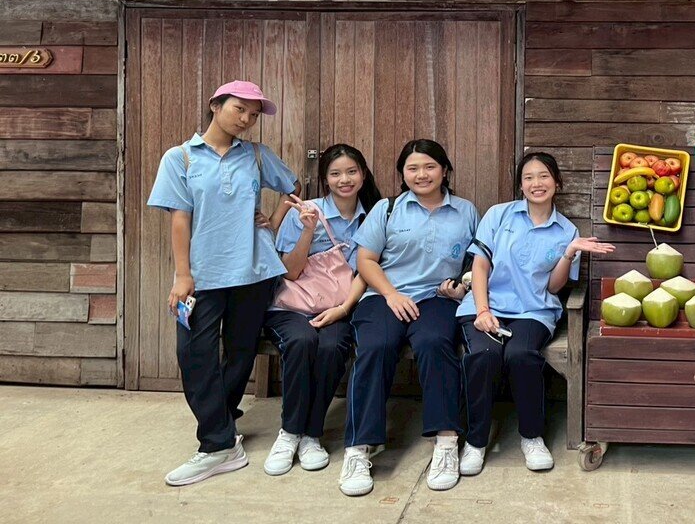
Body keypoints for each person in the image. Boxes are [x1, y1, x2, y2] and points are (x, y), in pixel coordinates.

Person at [147, 80, 300, 486]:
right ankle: (219, 442)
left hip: (254, 271)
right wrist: (183, 275)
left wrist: (273, 220)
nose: (246, 119)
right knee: (194, 354)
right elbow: (179, 219)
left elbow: (293, 188)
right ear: (215, 105)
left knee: (240, 352)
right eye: (239, 109)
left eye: (253, 114)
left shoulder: (257, 155)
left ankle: (220, 432)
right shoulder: (180, 157)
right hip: (203, 275)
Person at [318, 139, 478, 497]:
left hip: (437, 298)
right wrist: (391, 294)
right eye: (412, 168)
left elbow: (475, 262)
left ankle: (446, 442)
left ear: (445, 170)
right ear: (402, 174)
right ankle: (358, 449)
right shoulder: (387, 209)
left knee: (435, 343)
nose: (422, 174)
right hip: (384, 295)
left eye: (430, 167)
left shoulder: (466, 211)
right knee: (376, 346)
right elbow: (366, 261)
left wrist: (461, 287)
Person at [456, 152, 615, 475]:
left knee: (521, 355)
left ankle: (532, 437)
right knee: (484, 355)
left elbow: (554, 286)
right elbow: (480, 266)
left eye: (543, 176)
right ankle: (475, 441)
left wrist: (569, 253)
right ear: (520, 185)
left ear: (557, 182)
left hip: (533, 310)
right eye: (528, 177)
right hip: (486, 305)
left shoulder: (566, 231)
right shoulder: (499, 215)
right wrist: (483, 310)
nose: (536, 183)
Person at [261, 144, 382, 476]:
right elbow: (289, 273)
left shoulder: (374, 216)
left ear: (363, 174)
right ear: (325, 179)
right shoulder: (305, 211)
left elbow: (367, 270)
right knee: (301, 342)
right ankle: (289, 433)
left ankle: (311, 434)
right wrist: (308, 230)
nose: (344, 180)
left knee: (331, 346)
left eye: (351, 172)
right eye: (335, 173)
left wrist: (343, 308)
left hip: (340, 305)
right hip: (292, 305)